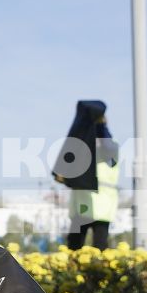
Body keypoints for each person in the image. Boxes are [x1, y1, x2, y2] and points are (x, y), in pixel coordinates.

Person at [53, 100, 117, 248]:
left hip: (99, 206)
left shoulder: (109, 146)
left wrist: (99, 125)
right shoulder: (80, 146)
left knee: (97, 248)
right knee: (75, 248)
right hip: (85, 205)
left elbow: (107, 147)